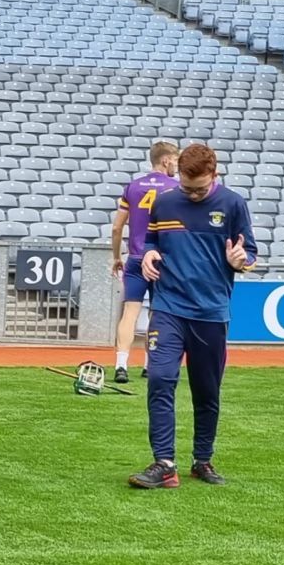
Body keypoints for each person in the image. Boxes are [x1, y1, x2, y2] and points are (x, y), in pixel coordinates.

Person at [129, 142, 257, 489]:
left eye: (198, 188)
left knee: (207, 391)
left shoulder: (233, 204)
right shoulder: (165, 201)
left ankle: (202, 459)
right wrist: (149, 255)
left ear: (214, 175)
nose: (191, 193)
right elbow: (151, 239)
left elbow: (251, 253)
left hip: (211, 312)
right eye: (186, 186)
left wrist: (240, 262)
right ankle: (164, 463)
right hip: (169, 308)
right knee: (159, 380)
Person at [111, 141, 180, 384]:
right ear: (165, 160)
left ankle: (121, 364)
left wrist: (117, 256)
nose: (177, 165)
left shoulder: (132, 187)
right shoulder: (175, 188)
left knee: (130, 312)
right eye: (175, 160)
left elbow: (117, 226)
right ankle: (149, 365)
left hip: (136, 257)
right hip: (162, 260)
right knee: (157, 312)